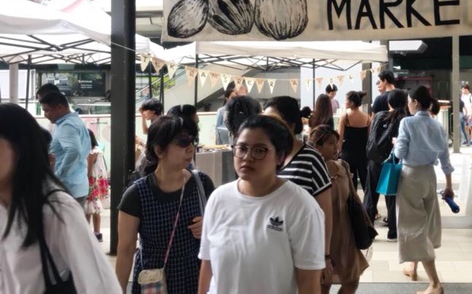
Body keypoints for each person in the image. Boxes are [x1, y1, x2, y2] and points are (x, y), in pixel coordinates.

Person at [197, 115, 324, 294]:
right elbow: (207, 264)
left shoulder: (300, 206)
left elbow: (309, 284)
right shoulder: (218, 198)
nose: (247, 157)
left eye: (259, 150)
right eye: (241, 148)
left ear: (279, 157)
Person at [0, 103, 121, 293]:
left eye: (47, 109)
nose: (47, 114)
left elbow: (101, 286)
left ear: (20, 148)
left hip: (73, 187)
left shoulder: (55, 209)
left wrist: (62, 173)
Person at [116, 115, 215, 294]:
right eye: (183, 142)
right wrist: (118, 289)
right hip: (154, 281)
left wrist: (208, 226)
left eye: (192, 141)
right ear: (159, 150)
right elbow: (125, 249)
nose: (190, 148)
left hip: (195, 277)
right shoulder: (136, 194)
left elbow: (221, 231)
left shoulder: (202, 182)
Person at [263, 96, 334, 282]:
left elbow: (325, 211)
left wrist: (325, 255)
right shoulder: (265, 155)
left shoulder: (311, 158)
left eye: (273, 120)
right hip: (269, 248)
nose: (267, 126)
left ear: (291, 124)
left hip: (302, 248)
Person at [393, 86, 454, 294]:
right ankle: (413, 266)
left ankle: (435, 283)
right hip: (430, 176)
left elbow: (400, 151)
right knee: (425, 223)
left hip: (411, 176)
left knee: (413, 226)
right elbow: (445, 158)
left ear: (416, 102)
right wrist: (449, 185)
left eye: (409, 101)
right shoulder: (437, 126)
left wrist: (395, 144)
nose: (407, 105)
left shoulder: (407, 122)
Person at [309, 126, 369, 294]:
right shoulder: (310, 172)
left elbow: (353, 199)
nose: (337, 148)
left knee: (352, 280)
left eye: (338, 143)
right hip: (321, 237)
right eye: (331, 144)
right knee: (323, 284)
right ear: (316, 146)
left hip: (346, 234)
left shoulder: (343, 167)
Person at [364, 89, 408, 242]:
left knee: (371, 196)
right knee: (391, 196)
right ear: (405, 102)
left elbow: (371, 137)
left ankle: (367, 232)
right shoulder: (405, 119)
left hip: (374, 160)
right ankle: (393, 232)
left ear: (389, 102)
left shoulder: (378, 116)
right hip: (392, 161)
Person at [40, 91, 91, 206]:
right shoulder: (76, 121)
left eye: (47, 110)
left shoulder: (66, 126)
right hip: (78, 184)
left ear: (60, 107)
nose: (45, 115)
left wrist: (58, 176)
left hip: (67, 187)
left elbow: (74, 151)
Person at [339, 91, 371, 191]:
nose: (344, 102)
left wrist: (338, 152)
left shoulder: (345, 117)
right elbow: (369, 137)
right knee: (365, 180)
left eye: (346, 100)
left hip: (348, 153)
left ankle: (353, 205)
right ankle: (367, 204)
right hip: (363, 153)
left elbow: (340, 137)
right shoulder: (367, 117)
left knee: (351, 183)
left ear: (352, 102)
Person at [85, 129, 109, 242]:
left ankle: (89, 233)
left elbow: (88, 170)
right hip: (96, 182)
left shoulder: (91, 152)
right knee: (94, 209)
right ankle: (97, 233)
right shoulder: (98, 150)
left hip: (90, 182)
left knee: (89, 209)